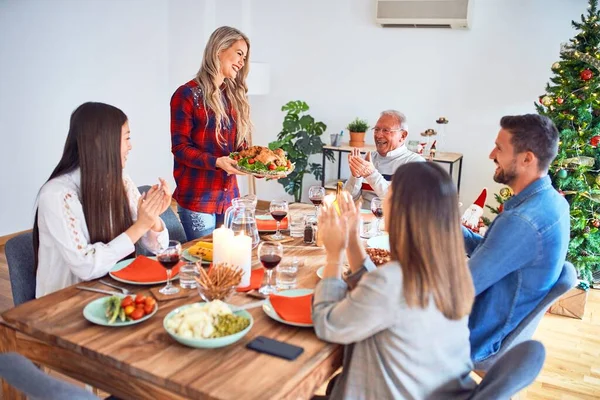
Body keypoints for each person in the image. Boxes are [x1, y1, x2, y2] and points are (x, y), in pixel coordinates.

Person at [313, 163, 476, 399]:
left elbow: (327, 324)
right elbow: (379, 292)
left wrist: (334, 254)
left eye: (390, 191)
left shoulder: (394, 281)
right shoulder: (453, 273)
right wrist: (350, 237)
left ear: (404, 209)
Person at [33, 102, 171, 298]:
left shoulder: (120, 179)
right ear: (100, 141)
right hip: (64, 305)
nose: (130, 146)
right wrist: (140, 226)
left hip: (112, 290)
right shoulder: (57, 194)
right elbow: (86, 266)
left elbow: (159, 246)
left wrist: (152, 216)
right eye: (127, 138)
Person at [464, 114, 570, 364]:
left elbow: (459, 290)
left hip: (475, 335)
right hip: (498, 321)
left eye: (500, 148)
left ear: (526, 159)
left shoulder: (522, 221)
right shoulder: (552, 201)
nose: (492, 155)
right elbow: (490, 251)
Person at [170, 26, 251, 240]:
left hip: (230, 200)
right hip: (199, 199)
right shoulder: (186, 95)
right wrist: (217, 162)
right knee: (202, 267)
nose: (242, 62)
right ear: (219, 50)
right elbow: (180, 149)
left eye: (245, 57)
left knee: (229, 264)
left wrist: (264, 166)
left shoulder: (232, 97)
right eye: (239, 53)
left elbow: (240, 151)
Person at [343, 110, 424, 205]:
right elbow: (345, 202)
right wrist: (356, 177)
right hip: (365, 217)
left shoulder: (416, 164)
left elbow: (400, 204)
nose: (378, 135)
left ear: (403, 135)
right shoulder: (368, 158)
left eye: (386, 130)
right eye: (376, 130)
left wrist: (371, 174)